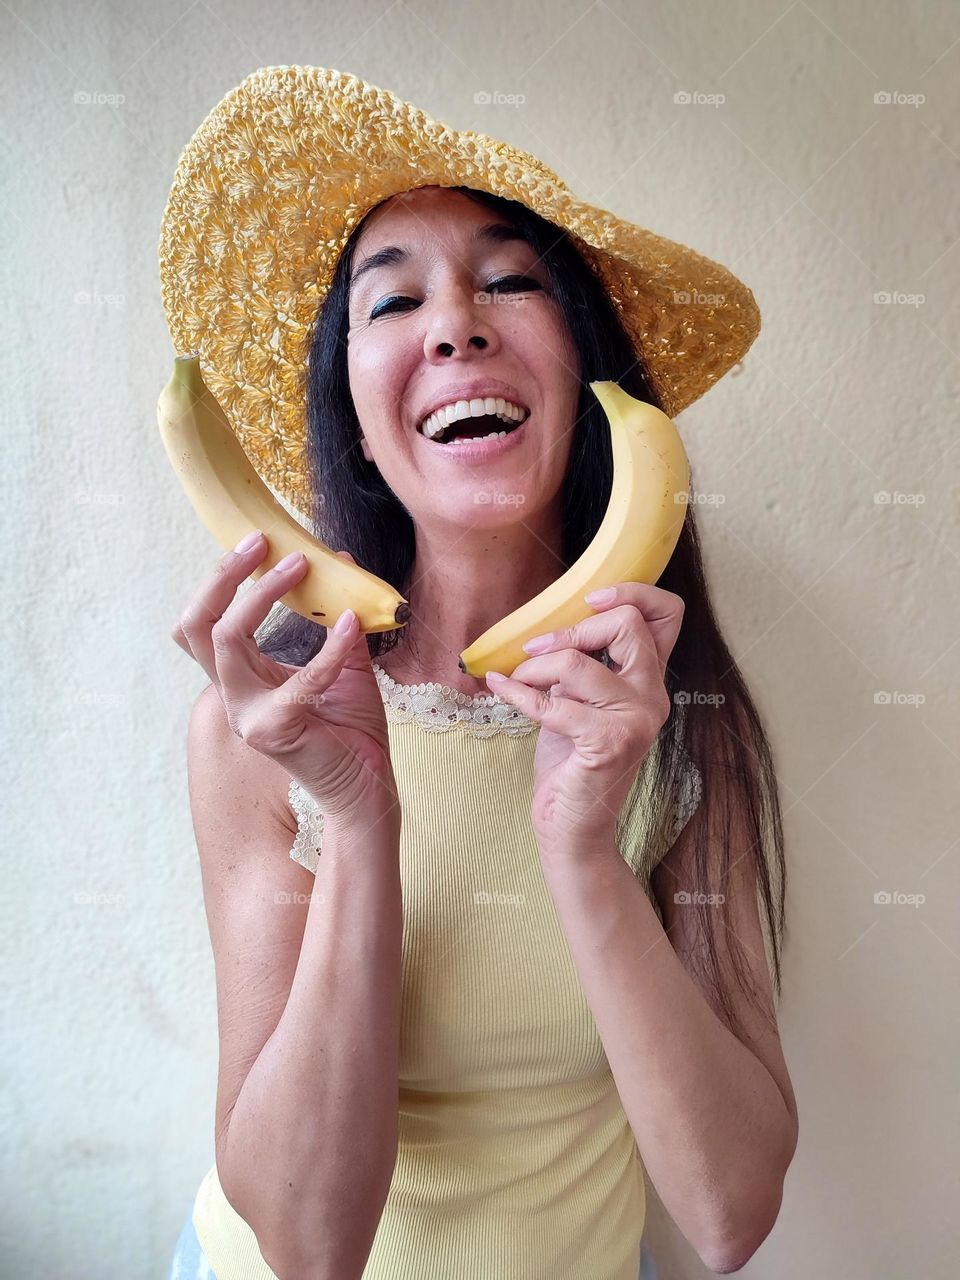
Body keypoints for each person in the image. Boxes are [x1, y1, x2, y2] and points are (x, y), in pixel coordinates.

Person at [160, 67, 798, 1279]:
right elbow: (309, 1243)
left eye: (511, 281)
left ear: (589, 379)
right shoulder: (261, 726)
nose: (456, 324)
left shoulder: (676, 716)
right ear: (353, 420)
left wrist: (580, 842)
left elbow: (729, 1214)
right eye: (394, 300)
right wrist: (357, 816)